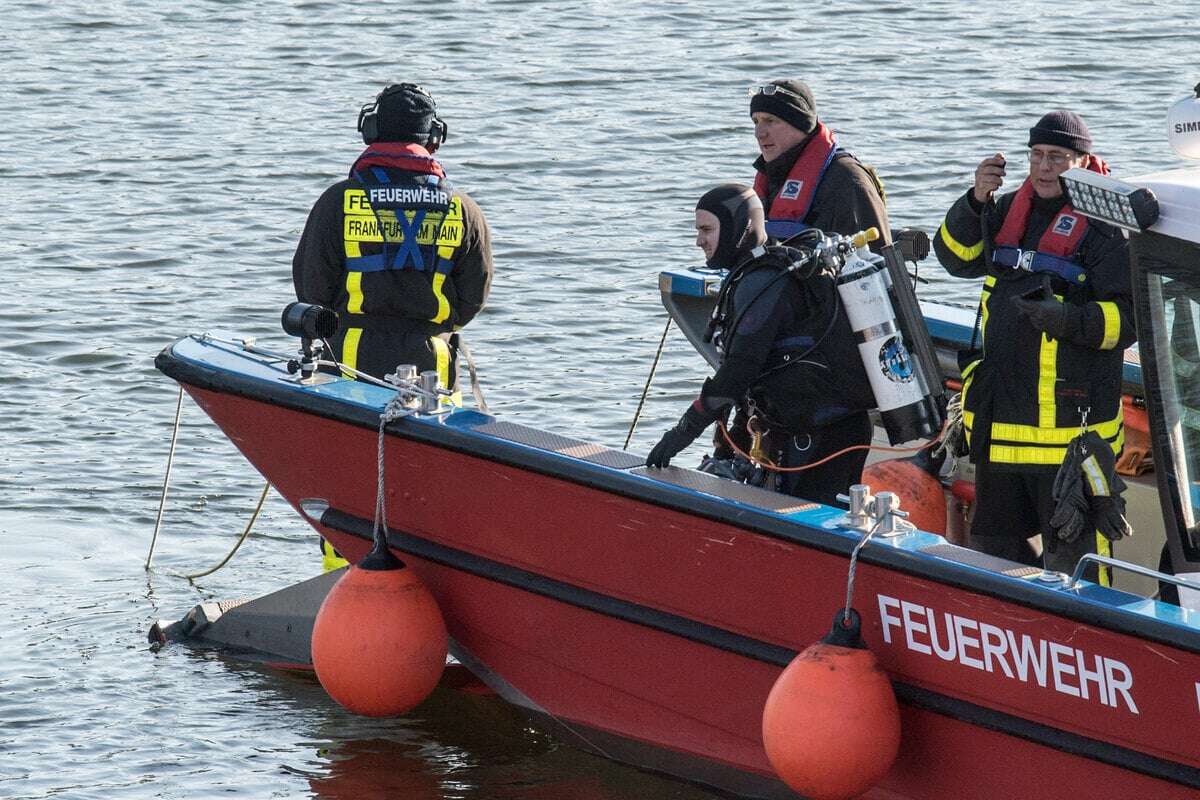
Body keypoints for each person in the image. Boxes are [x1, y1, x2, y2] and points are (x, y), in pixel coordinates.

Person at [932, 110, 1135, 583]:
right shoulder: (1004, 212)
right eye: (1038, 156)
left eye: (1058, 158)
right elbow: (955, 260)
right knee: (995, 565)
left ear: (1082, 163)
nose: (1045, 167)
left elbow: (1127, 324)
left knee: (1081, 573)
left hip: (1071, 441)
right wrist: (974, 201)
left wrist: (1068, 319)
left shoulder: (1107, 229)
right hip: (1001, 429)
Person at [646, 184, 875, 506]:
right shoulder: (760, 273)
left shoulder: (764, 281)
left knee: (811, 531)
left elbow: (740, 369)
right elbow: (751, 377)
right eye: (698, 230)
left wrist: (683, 432)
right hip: (814, 430)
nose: (699, 241)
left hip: (823, 436)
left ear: (741, 228)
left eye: (707, 230)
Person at [292, 83, 493, 389]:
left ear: (370, 130)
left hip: (350, 357)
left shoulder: (338, 201)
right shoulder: (463, 209)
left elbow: (312, 288)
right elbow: (473, 296)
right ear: (435, 138)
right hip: (433, 362)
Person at [749, 79, 890, 250]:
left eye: (770, 121)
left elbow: (876, 263)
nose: (759, 133)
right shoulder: (771, 177)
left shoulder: (848, 180)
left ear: (800, 124)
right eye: (756, 122)